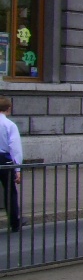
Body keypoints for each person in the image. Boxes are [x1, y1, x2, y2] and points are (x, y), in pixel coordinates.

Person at [0, 96, 23, 232]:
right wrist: (18, 169)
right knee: (10, 192)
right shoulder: (9, 125)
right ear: (8, 109)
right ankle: (14, 222)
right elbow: (15, 148)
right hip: (4, 159)